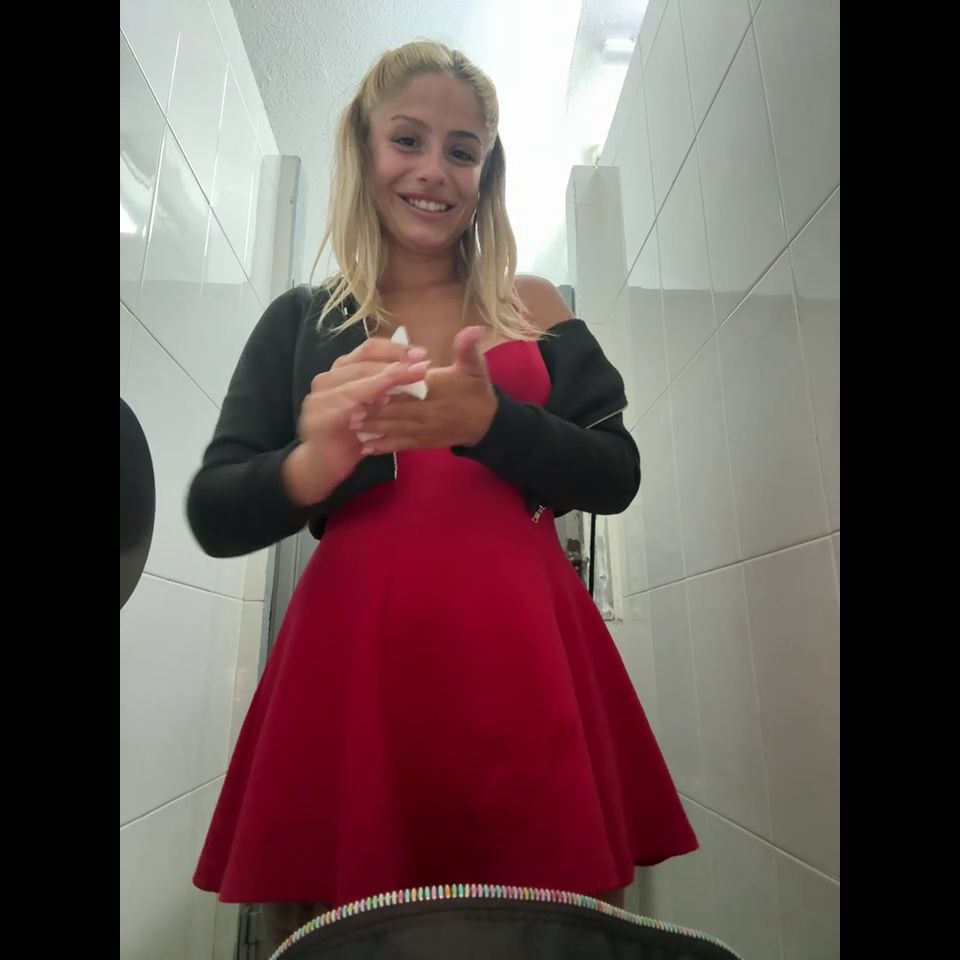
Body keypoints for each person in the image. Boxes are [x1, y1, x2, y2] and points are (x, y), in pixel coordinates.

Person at [186, 39, 697, 956]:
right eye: (407, 139)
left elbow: (616, 474)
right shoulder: (305, 319)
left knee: (551, 927)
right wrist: (315, 462)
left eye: (463, 150)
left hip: (529, 656)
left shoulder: (534, 305)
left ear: (486, 171)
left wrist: (494, 423)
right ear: (364, 148)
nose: (433, 170)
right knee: (343, 931)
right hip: (353, 663)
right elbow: (215, 511)